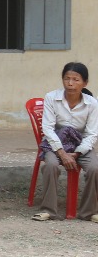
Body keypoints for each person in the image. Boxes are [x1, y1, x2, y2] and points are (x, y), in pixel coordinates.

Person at [35, 62, 98, 223]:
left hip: (80, 144)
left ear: (85, 83)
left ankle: (88, 212)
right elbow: (48, 129)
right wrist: (61, 153)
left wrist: (77, 153)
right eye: (67, 79)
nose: (70, 83)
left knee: (94, 168)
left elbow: (92, 134)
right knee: (50, 165)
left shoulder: (92, 103)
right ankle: (48, 210)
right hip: (55, 143)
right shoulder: (51, 97)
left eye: (76, 79)